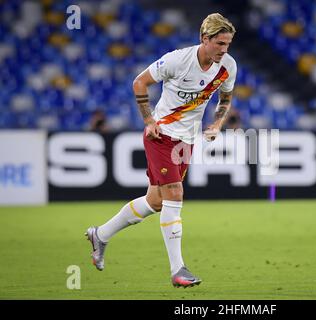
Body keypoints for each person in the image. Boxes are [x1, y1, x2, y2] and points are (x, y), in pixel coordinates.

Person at [85, 13, 237, 288]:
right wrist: (148, 120)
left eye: (228, 44)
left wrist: (217, 123)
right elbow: (139, 82)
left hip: (186, 141)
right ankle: (178, 269)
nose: (224, 49)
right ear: (205, 39)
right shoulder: (178, 60)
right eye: (220, 43)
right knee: (175, 194)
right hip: (162, 135)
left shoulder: (228, 66)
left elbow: (226, 97)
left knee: (156, 201)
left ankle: (101, 234)